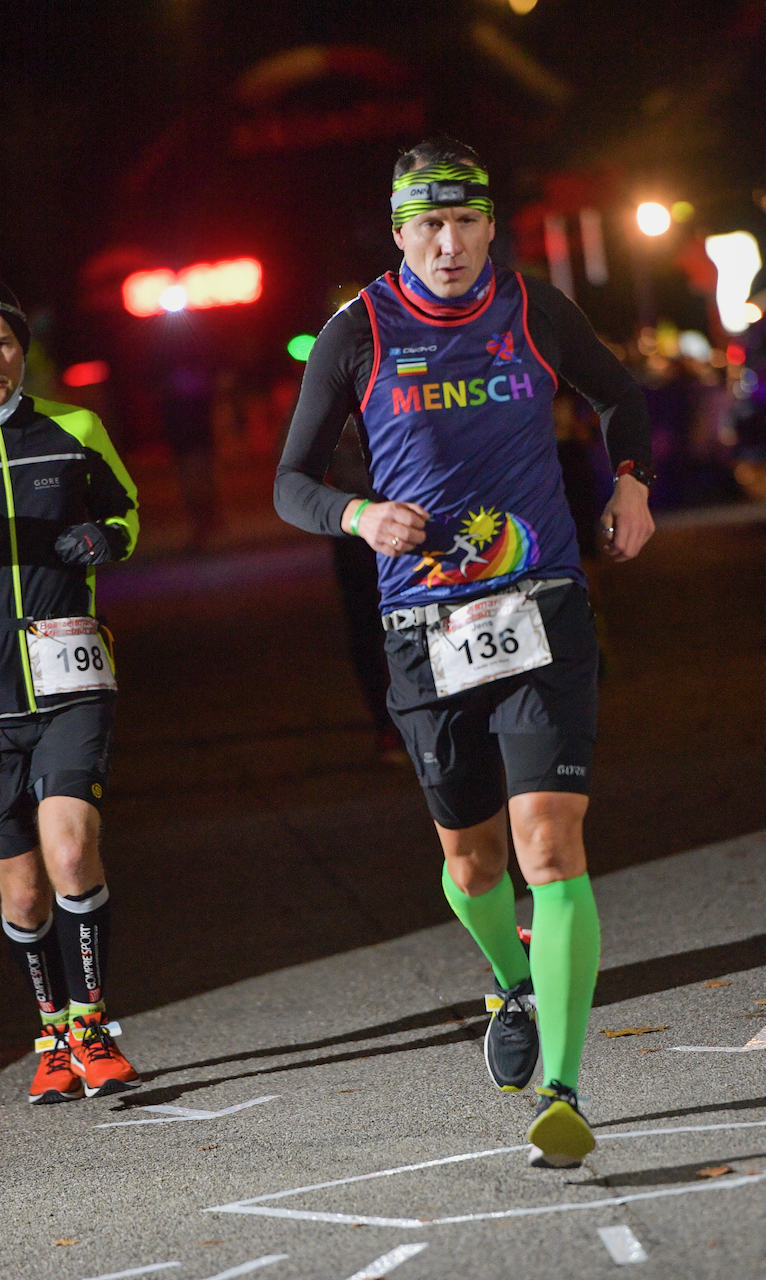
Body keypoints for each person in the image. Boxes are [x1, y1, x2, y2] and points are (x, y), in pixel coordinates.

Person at [275, 139, 655, 1168]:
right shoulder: (355, 332)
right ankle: (511, 979)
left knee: (549, 848)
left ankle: (566, 1086)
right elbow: (290, 481)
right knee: (471, 858)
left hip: (540, 607)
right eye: (426, 226)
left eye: (465, 223)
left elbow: (619, 392)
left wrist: (628, 482)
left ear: (490, 227)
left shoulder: (531, 311)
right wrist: (356, 513)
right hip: (423, 629)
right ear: (399, 232)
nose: (447, 244)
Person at [0, 276, 141, 1105]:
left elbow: (127, 513)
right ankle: (50, 1030)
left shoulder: (74, 429)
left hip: (71, 675)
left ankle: (92, 1024)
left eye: (2, 342)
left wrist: (104, 539)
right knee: (21, 885)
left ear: (22, 348)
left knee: (73, 851)